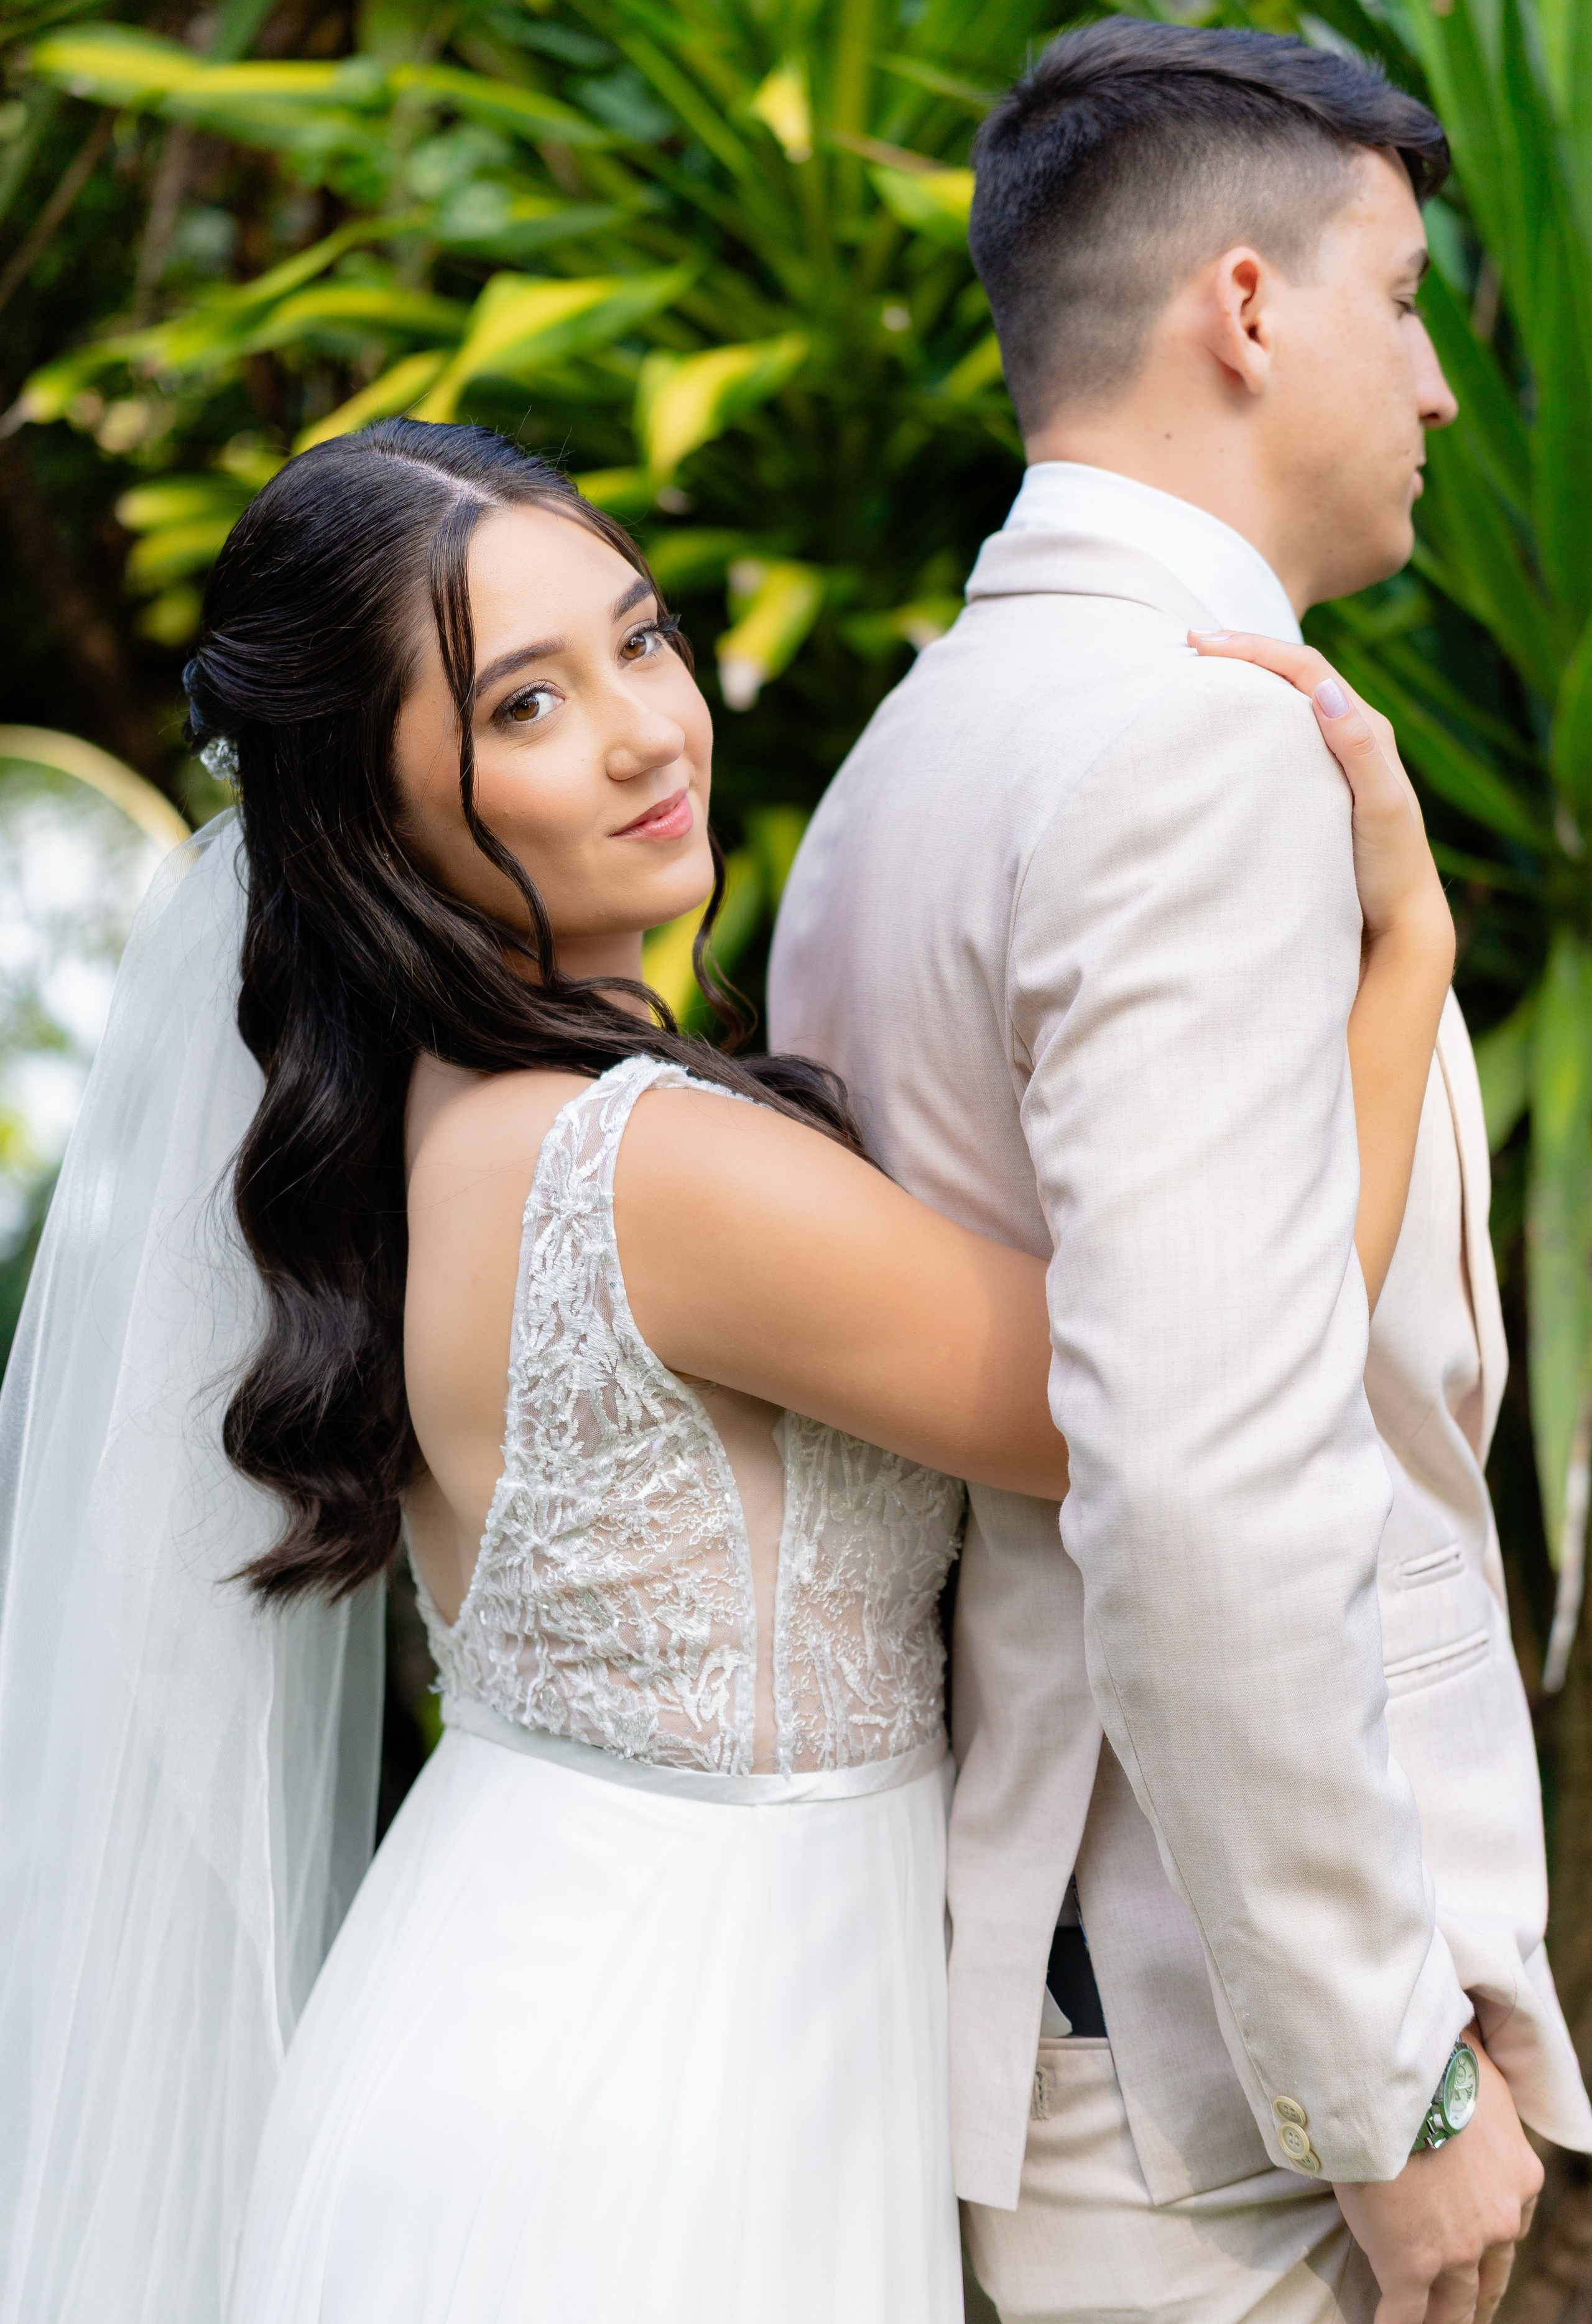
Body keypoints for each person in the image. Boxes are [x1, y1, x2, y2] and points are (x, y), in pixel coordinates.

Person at [2, 414, 1446, 2324]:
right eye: (526, 706)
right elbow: (1177, 1404)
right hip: (650, 2086)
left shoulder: (465, 1120)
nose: (644, 730)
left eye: (644, 638)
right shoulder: (648, 1166)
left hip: (609, 2000)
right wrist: (1406, 956)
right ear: (372, 807)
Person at [768, 17, 1592, 2324]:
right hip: (1207, 2092)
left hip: (1057, 2015)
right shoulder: (1191, 758)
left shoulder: (911, 754)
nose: (1439, 388)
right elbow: (1212, 1471)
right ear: (1245, 307)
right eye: (1407, 298)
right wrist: (1387, 2083)